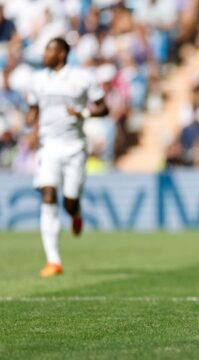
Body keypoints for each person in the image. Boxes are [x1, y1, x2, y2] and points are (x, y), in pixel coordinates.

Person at [26, 38, 108, 278]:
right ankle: (53, 260)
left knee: (69, 201)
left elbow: (104, 108)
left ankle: (76, 213)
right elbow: (34, 109)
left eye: (49, 49)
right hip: (48, 146)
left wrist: (83, 112)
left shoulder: (82, 78)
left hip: (75, 147)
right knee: (48, 193)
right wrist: (31, 122)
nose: (45, 54)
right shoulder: (38, 79)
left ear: (62, 54)